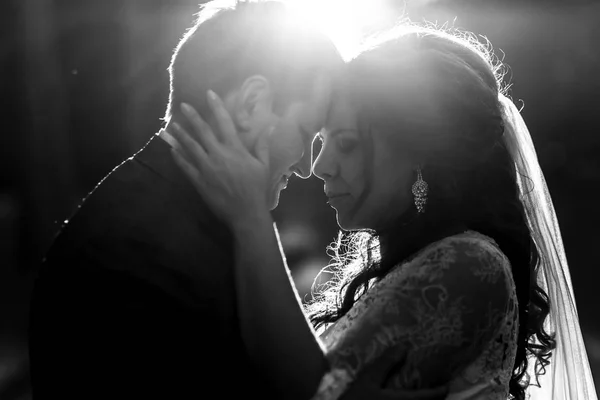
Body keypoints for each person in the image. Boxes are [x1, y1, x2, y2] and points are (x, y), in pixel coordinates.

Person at [166, 24, 598, 400]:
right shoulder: (414, 265)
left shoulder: (470, 263)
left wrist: (251, 221)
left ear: (420, 155)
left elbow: (314, 392)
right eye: (322, 140)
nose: (319, 165)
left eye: (348, 143)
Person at [28, 1, 349, 399]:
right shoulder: (129, 251)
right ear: (252, 104)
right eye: (305, 132)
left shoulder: (195, 207)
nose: (305, 167)